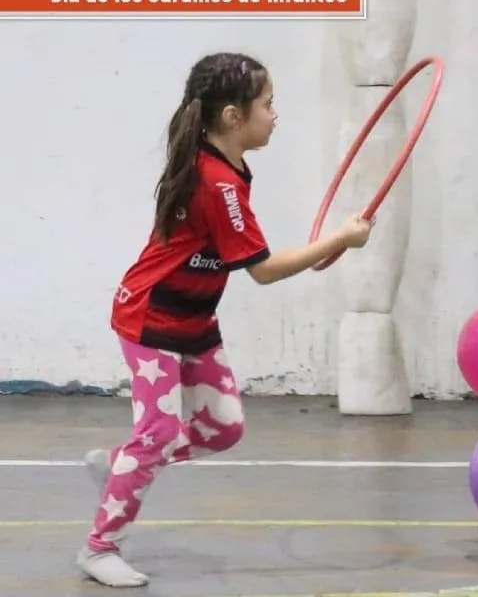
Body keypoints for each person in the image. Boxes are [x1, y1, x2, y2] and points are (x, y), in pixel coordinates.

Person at [76, 52, 375, 588]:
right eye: (268, 103)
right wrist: (340, 240)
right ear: (234, 116)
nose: (275, 114)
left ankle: (125, 462)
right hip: (151, 317)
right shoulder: (219, 183)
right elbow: (262, 271)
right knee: (160, 431)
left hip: (194, 319)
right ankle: (100, 547)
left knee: (223, 428)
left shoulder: (226, 165)